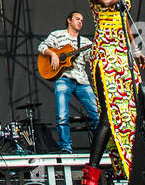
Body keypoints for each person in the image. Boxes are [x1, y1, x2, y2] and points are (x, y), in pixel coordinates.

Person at [80, 0, 145, 185]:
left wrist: (135, 50)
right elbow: (108, 2)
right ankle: (90, 178)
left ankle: (136, 174)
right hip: (106, 55)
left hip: (123, 55)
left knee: (133, 114)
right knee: (109, 118)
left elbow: (126, 24)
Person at [38, 11, 100, 153]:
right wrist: (53, 54)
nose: (80, 22)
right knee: (62, 115)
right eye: (77, 19)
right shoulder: (57, 35)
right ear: (69, 20)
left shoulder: (85, 42)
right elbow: (41, 47)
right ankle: (66, 146)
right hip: (63, 79)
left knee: (97, 114)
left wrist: (97, 52)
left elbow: (90, 61)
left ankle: (99, 147)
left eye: (82, 20)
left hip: (82, 80)